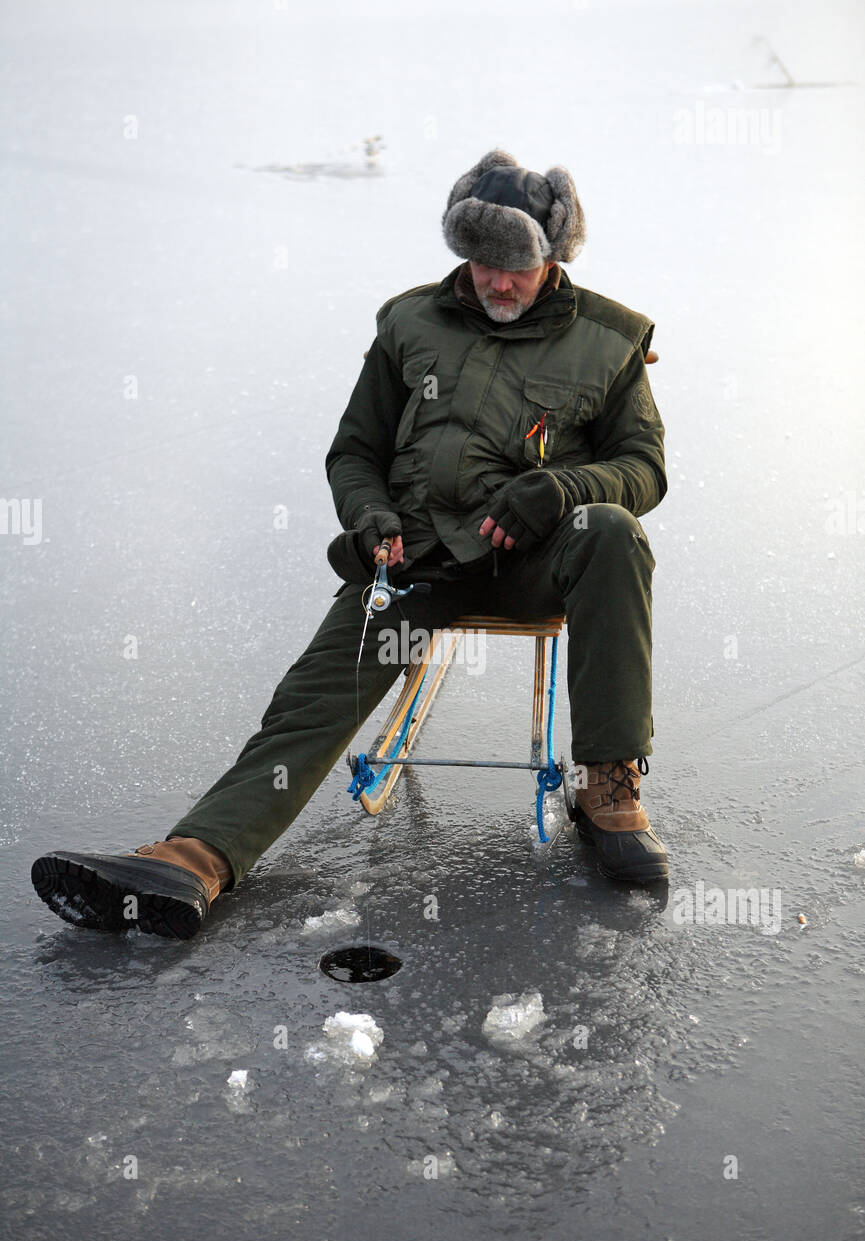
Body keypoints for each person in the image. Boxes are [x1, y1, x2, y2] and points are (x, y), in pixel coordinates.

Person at [31, 148, 668, 942]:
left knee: (611, 529)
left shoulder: (607, 340)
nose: (495, 283)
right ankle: (195, 858)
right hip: (417, 562)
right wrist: (369, 516)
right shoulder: (410, 322)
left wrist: (561, 490)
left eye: (514, 268)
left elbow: (643, 469)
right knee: (311, 699)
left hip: (533, 564)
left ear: (551, 257)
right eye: (479, 263)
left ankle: (608, 786)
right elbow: (354, 451)